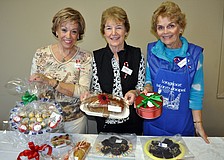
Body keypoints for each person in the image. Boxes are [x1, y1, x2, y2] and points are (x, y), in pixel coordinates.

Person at [143, 1, 209, 143]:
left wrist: (198, 125)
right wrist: (147, 87)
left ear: (181, 27)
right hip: (154, 125)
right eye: (160, 27)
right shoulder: (152, 51)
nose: (165, 32)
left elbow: (196, 93)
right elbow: (148, 79)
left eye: (171, 26)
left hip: (182, 127)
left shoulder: (195, 55)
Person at [29, 7, 92, 134]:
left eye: (74, 31)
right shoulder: (41, 54)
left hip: (75, 120)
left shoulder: (86, 57)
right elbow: (33, 88)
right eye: (64, 30)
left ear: (78, 34)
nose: (68, 36)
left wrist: (51, 82)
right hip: (46, 119)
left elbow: (83, 91)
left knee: (75, 152)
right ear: (56, 31)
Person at [85, 6, 145, 135]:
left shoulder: (137, 55)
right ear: (103, 32)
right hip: (105, 121)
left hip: (132, 121)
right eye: (108, 28)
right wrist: (90, 97)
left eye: (118, 27)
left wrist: (135, 92)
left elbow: (141, 85)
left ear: (126, 30)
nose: (114, 33)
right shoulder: (96, 57)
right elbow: (96, 90)